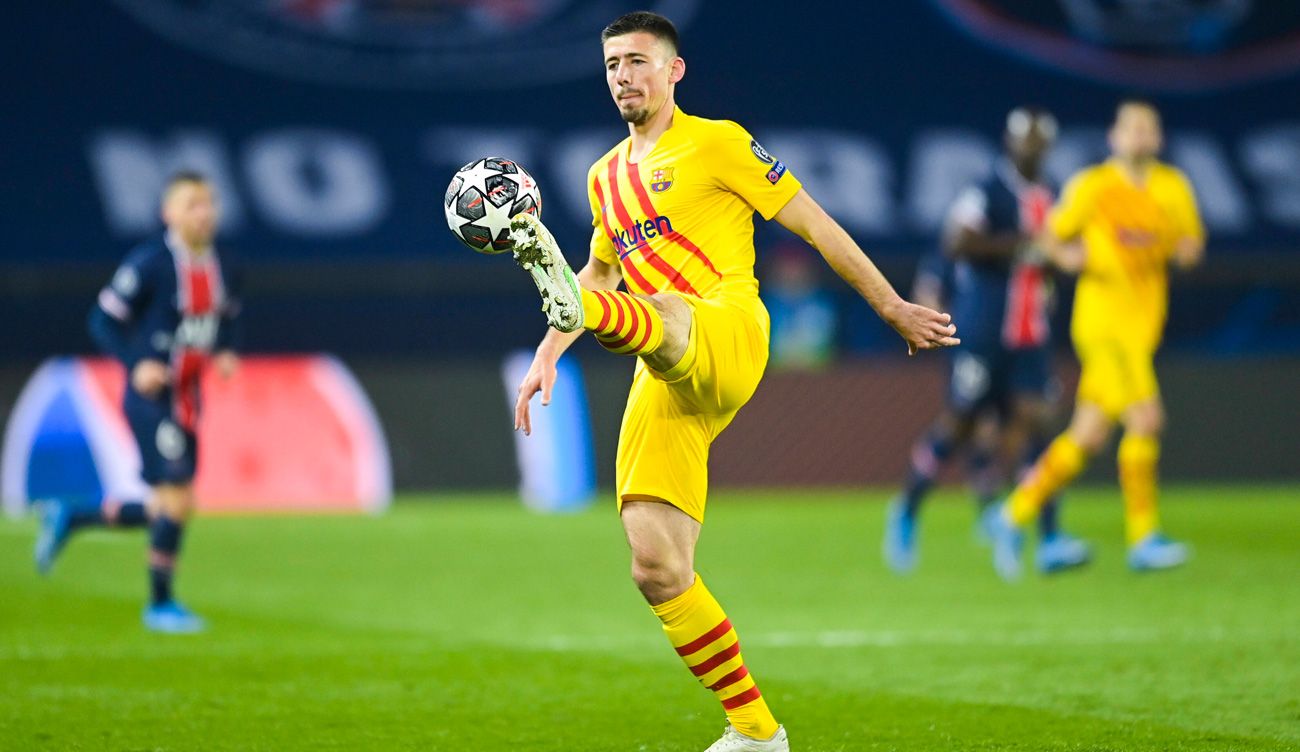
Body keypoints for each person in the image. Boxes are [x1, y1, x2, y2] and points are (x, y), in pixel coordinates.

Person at [506, 12, 957, 751]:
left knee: (664, 308)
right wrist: (550, 351)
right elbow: (600, 271)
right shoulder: (603, 177)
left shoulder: (717, 142)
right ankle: (755, 732)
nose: (625, 75)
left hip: (726, 329)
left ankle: (572, 296)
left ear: (674, 70)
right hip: (662, 368)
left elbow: (813, 223)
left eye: (640, 61)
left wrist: (891, 305)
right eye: (614, 63)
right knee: (655, 565)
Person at [989, 101, 1205, 579]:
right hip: (1105, 325)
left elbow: (1190, 244)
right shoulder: (1094, 186)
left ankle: (1011, 516)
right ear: (1114, 136)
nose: (1140, 136)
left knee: (1088, 435)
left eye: (1148, 128)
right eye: (1132, 128)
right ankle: (1144, 538)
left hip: (1142, 326)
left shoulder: (1172, 188)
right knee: (1146, 419)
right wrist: (1069, 261)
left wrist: (1183, 251)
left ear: (1159, 139)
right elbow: (1048, 236)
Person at [883, 108, 1090, 575]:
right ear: (1010, 144)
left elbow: (1057, 255)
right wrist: (1024, 245)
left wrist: (1058, 260)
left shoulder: (1055, 195)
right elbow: (959, 242)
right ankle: (908, 509)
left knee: (1034, 426)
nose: (1031, 150)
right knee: (959, 425)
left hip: (1031, 334)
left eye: (1038, 143)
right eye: (1024, 142)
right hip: (983, 332)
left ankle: (1045, 534)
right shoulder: (986, 191)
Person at [34, 171, 241, 632]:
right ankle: (160, 604)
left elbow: (228, 318)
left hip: (189, 396)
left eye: (209, 203)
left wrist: (226, 350)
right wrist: (136, 363)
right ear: (168, 213)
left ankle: (74, 514)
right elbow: (103, 320)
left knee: (176, 504)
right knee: (175, 495)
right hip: (151, 397)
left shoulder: (226, 265)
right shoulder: (150, 264)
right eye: (192, 204)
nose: (204, 212)